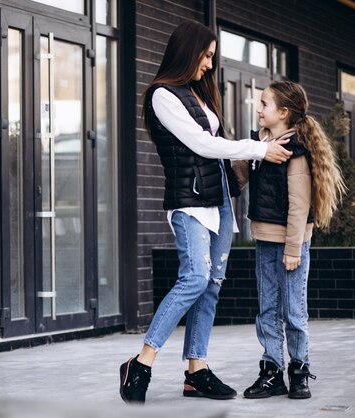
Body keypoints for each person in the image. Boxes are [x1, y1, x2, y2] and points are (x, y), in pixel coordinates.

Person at [118, 20, 294, 404]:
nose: (210, 65)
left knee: (211, 285)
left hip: (219, 203)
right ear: (189, 51)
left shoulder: (197, 93)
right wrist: (256, 149)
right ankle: (141, 362)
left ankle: (196, 371)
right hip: (190, 204)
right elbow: (201, 143)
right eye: (207, 56)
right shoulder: (162, 96)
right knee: (194, 278)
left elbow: (214, 143)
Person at [241, 81, 346, 400]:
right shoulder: (259, 143)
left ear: (283, 112)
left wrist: (293, 249)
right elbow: (239, 179)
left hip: (291, 243)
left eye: (264, 104)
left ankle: (299, 371)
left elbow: (299, 204)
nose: (258, 109)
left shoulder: (294, 148)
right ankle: (272, 370)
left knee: (294, 312)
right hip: (263, 239)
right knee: (267, 309)